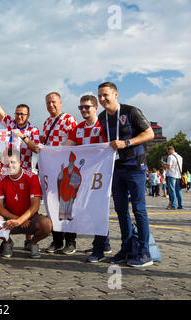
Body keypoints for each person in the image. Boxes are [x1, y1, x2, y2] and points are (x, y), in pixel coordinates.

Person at [97, 81, 155, 268]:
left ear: (115, 94)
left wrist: (126, 143)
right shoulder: (101, 117)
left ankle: (145, 253)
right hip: (116, 168)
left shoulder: (131, 111)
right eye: (100, 96)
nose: (102, 99)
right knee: (121, 211)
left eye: (105, 95)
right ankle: (127, 248)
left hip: (135, 166)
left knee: (138, 209)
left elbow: (150, 133)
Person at [0, 86, 41, 249]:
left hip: (26, 172)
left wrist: (24, 137)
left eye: (22, 114)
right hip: (6, 172)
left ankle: (29, 239)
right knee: (4, 204)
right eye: (17, 113)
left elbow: (36, 148)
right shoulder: (10, 123)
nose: (19, 116)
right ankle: (6, 238)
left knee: (27, 203)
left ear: (28, 116)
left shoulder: (33, 130)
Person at [62, 94, 112, 262]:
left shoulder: (103, 126)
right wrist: (47, 150)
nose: (83, 110)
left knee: (98, 209)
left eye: (87, 107)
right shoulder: (78, 128)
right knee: (89, 210)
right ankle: (104, 242)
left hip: (99, 175)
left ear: (95, 108)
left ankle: (99, 248)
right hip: (84, 176)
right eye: (80, 107)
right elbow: (67, 146)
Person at [0, 151, 52, 259]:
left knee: (47, 224)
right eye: (7, 163)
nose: (10, 165)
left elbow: (35, 206)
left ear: (20, 162)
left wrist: (20, 220)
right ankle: (8, 242)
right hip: (10, 219)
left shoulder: (32, 178)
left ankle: (33, 243)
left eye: (13, 162)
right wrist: (18, 219)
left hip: (29, 219)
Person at [39, 92, 78, 255]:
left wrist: (58, 153)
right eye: (48, 103)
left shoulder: (69, 119)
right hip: (50, 168)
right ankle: (57, 240)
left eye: (53, 102)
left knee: (67, 204)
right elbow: (42, 141)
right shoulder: (47, 122)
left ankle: (71, 241)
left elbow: (75, 139)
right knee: (52, 205)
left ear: (60, 102)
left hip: (64, 169)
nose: (51, 105)